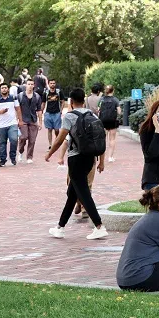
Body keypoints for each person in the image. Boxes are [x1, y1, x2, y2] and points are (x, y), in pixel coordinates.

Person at [45, 88, 108, 240]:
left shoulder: (70, 116)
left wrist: (50, 153)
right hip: (90, 158)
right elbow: (100, 137)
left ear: (71, 102)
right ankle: (60, 227)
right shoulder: (91, 114)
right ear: (83, 100)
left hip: (76, 158)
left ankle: (99, 226)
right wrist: (101, 161)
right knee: (72, 194)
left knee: (84, 193)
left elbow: (61, 139)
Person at [0, 82, 22, 167]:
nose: (4, 89)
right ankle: (2, 160)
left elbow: (18, 109)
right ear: (0, 89)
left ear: (8, 89)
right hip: (0, 125)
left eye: (5, 88)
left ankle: (13, 156)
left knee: (14, 139)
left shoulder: (13, 98)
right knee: (2, 142)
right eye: (2, 88)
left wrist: (20, 121)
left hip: (12, 123)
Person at [17, 79, 43, 164]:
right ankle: (20, 152)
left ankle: (29, 157)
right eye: (28, 84)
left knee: (32, 140)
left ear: (34, 85)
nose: (30, 86)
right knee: (23, 137)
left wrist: (40, 122)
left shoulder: (37, 96)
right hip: (23, 119)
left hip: (33, 120)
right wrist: (17, 119)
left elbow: (39, 110)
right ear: (25, 85)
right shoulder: (20, 96)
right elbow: (17, 109)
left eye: (32, 84)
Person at [98, 85, 121, 163]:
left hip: (102, 120)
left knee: (103, 138)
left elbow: (98, 109)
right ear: (113, 90)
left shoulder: (101, 99)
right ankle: (110, 157)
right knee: (112, 139)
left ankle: (101, 156)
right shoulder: (115, 100)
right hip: (112, 121)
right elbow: (119, 112)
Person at [42, 79, 67, 148]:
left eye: (54, 83)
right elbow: (43, 103)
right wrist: (41, 111)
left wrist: (61, 110)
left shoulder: (59, 92)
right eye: (51, 83)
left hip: (56, 113)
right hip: (48, 113)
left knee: (56, 129)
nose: (52, 84)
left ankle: (57, 140)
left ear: (55, 84)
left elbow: (63, 101)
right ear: (49, 84)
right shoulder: (46, 93)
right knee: (49, 129)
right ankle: (50, 144)